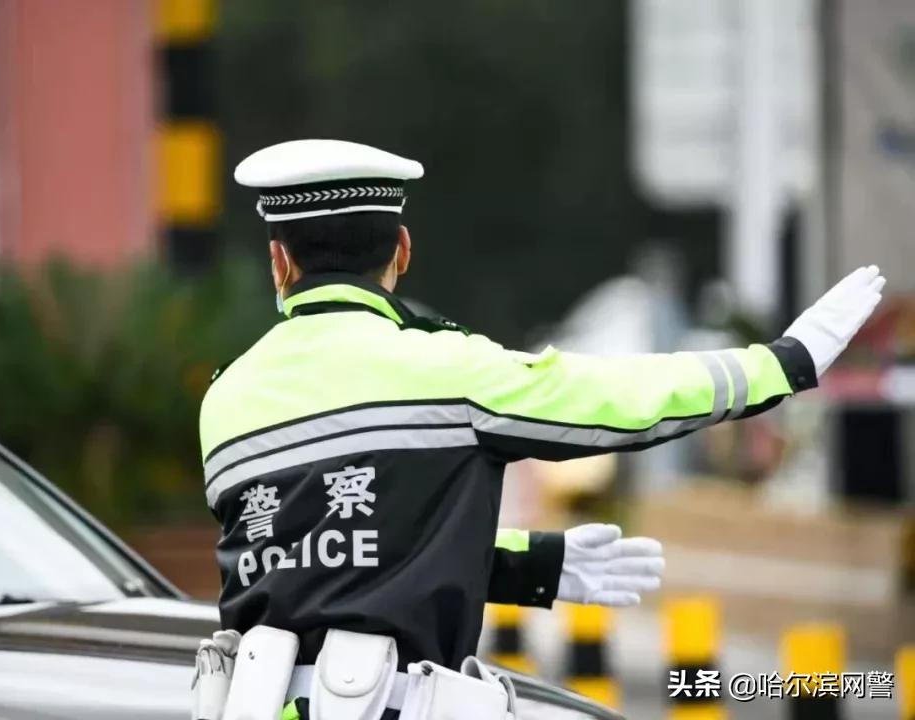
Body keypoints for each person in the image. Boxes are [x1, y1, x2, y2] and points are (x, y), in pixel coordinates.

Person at [197, 139, 885, 720]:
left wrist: (528, 565)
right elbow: (620, 398)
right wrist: (781, 365)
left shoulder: (225, 400)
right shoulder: (451, 370)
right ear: (401, 252)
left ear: (279, 263)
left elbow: (314, 557)